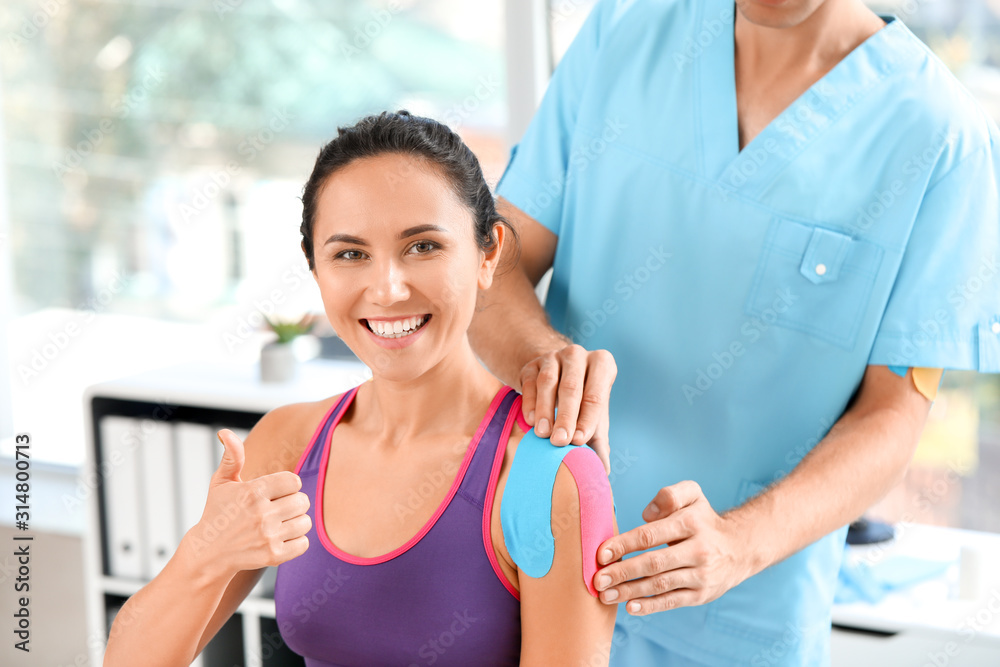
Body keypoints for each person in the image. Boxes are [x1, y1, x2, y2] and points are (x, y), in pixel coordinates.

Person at [467, 0, 1000, 664]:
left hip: (736, 623)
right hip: (524, 568)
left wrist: (737, 543)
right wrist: (542, 355)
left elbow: (892, 414)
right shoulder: (625, 31)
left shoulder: (939, 137)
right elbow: (493, 263)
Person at [102, 111, 618, 667]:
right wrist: (205, 553)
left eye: (422, 246)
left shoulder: (549, 480)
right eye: (350, 254)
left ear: (488, 253)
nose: (388, 290)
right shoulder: (286, 443)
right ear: (315, 268)